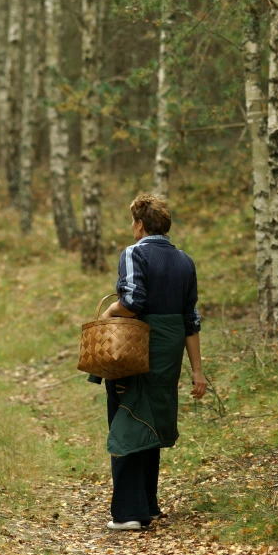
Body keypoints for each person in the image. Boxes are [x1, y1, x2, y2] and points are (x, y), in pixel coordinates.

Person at [88, 193, 207, 530]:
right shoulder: (185, 260)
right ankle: (149, 505)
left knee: (126, 418)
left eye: (132, 223)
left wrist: (110, 312)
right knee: (150, 418)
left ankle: (128, 513)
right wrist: (197, 370)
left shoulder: (133, 253)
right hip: (170, 356)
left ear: (140, 224)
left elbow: (132, 301)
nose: (131, 229)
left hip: (137, 349)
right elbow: (190, 319)